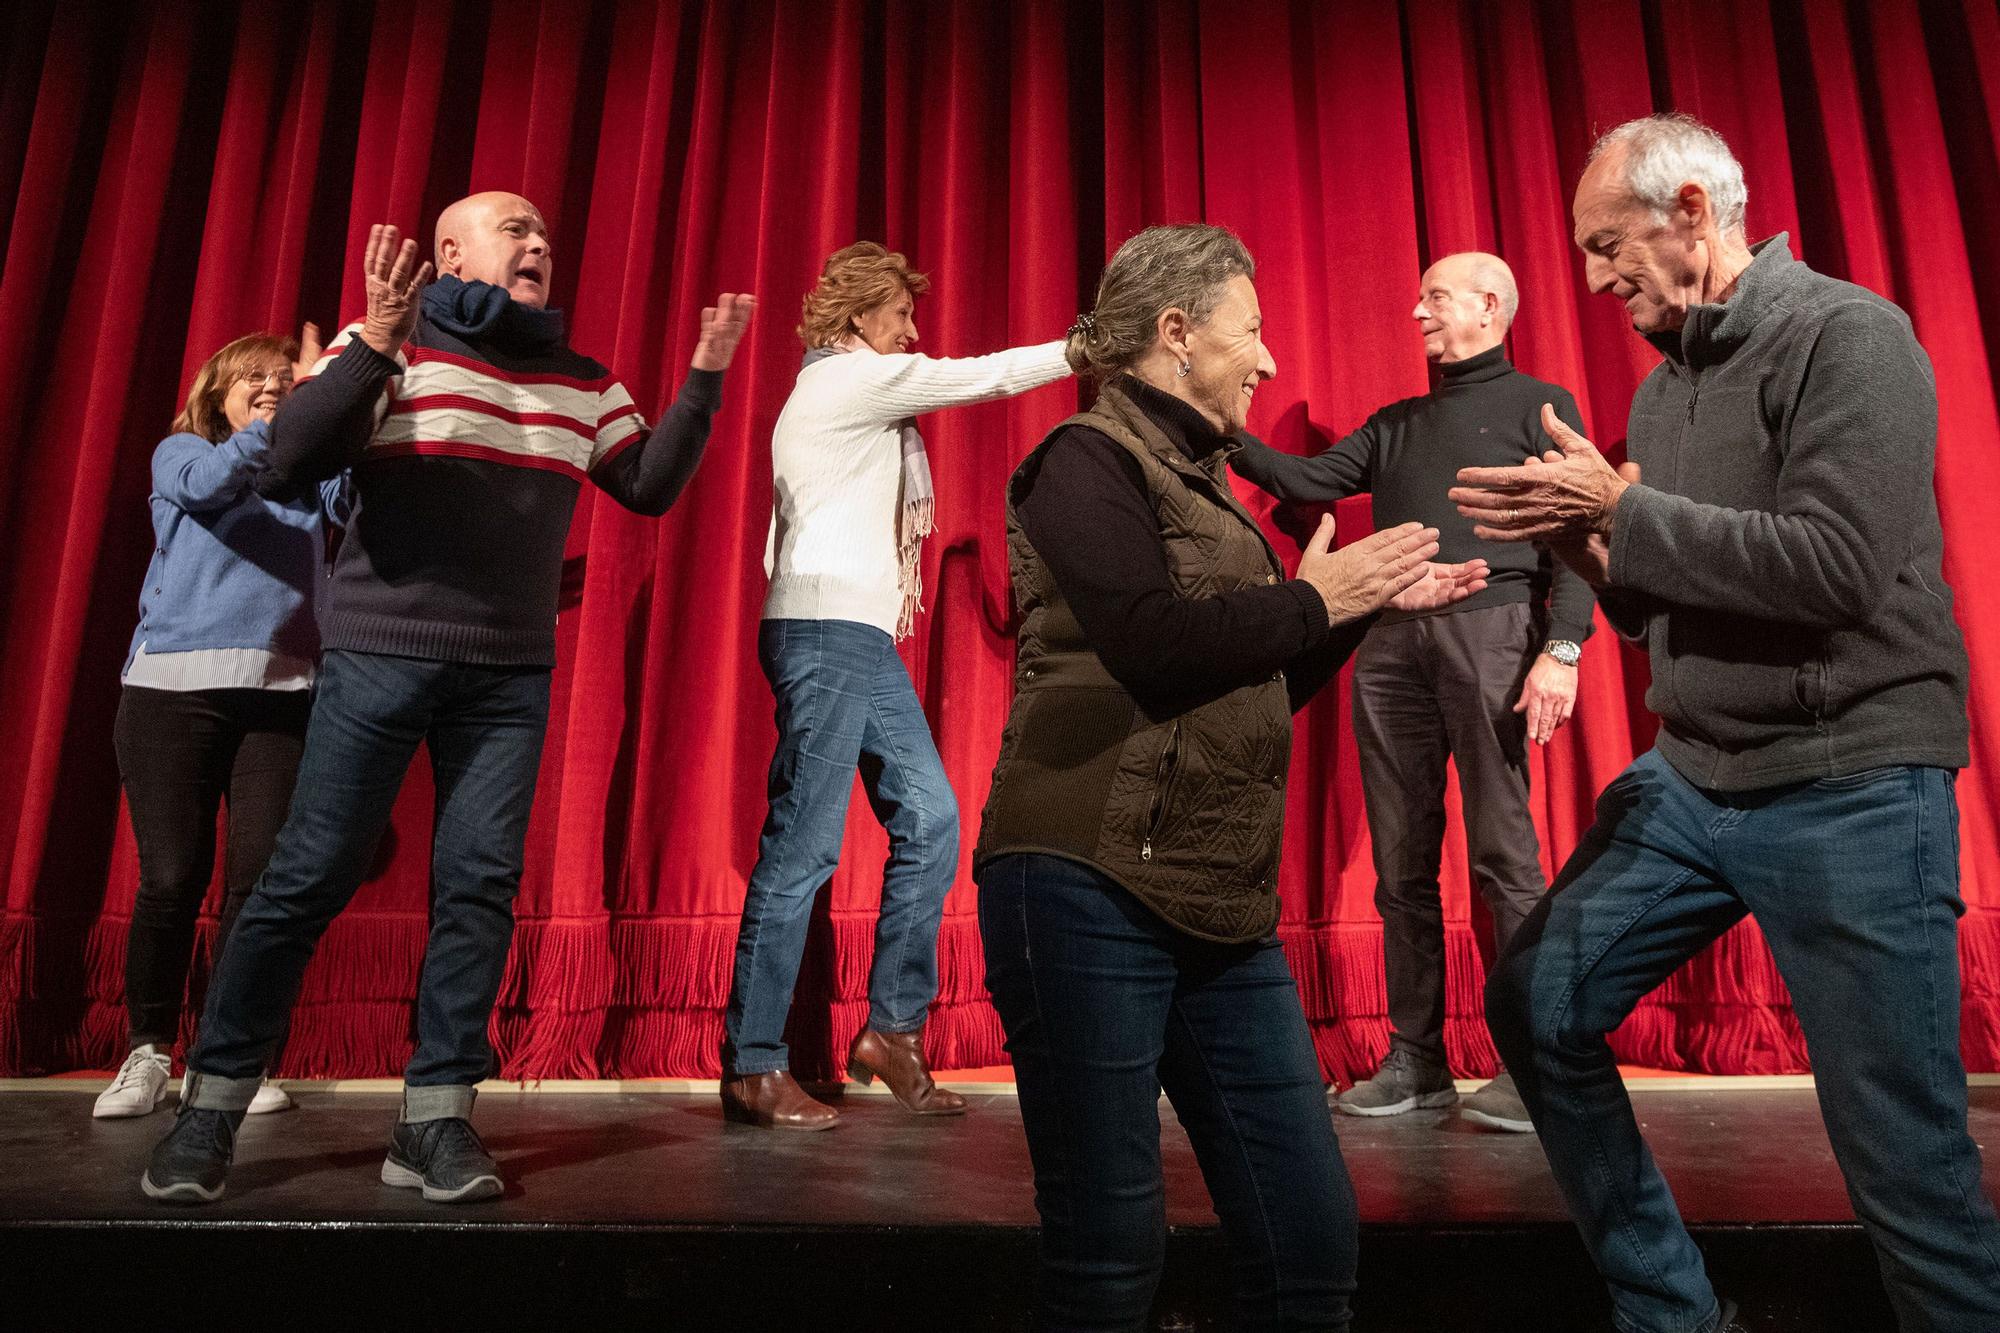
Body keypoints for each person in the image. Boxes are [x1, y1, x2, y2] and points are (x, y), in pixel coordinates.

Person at [1453, 113, 2000, 1332]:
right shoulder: (1658, 397)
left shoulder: (1848, 338)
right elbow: (1662, 604)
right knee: (1535, 1003)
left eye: (1608, 244)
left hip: (1849, 780)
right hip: (1695, 778)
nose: (1594, 278)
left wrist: (1621, 518)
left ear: (1692, 211)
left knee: (1900, 1157)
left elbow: (1835, 569)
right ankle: (1670, 1312)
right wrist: (1580, 541)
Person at [141, 192, 755, 1205]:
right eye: (514, 228)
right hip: (380, 656)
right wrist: (373, 344)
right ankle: (210, 1107)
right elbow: (291, 460)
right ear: (450, 254)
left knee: (477, 885)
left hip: (508, 674)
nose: (538, 240)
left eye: (544, 233)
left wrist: (702, 381)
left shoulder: (583, 382)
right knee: (305, 877)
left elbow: (645, 484)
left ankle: (433, 1120)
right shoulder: (388, 346)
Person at [975, 223, 1488, 1329]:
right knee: (1108, 1252)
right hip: (1080, 883)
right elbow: (1153, 646)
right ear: (1175, 334)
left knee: (1308, 1240)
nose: (1264, 361)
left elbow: (1242, 684)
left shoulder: (1207, 487)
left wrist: (1352, 613)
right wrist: (1320, 597)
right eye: (1247, 333)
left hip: (1214, 898)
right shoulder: (1082, 462)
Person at [1231, 251, 1596, 1133]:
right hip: (1392, 640)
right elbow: (1306, 479)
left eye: (1434, 296)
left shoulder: (1538, 407)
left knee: (1505, 858)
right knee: (1402, 866)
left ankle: (1530, 1064)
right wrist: (1205, 416)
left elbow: (1577, 537)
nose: (1417, 311)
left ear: (1489, 306)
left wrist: (1564, 647)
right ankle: (1417, 1059)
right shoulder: (1396, 422)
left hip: (1495, 629)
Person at [719, 242, 1073, 1130]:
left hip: (855, 632)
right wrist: (1081, 350)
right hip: (827, 629)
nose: (913, 333)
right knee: (803, 847)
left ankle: (893, 1030)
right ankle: (754, 1063)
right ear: (857, 320)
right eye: (901, 317)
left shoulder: (841, 394)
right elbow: (978, 378)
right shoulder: (844, 380)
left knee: (932, 817)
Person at [94, 328, 344, 1121]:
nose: (273, 387)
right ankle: (145, 1053)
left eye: (283, 380)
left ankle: (229, 1059)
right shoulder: (183, 454)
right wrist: (289, 412)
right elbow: (209, 485)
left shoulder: (306, 478)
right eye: (257, 380)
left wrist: (334, 414)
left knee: (258, 890)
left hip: (281, 698)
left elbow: (362, 503)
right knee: (171, 879)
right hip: (171, 695)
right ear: (219, 392)